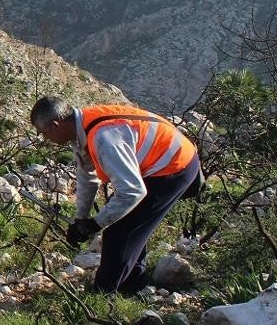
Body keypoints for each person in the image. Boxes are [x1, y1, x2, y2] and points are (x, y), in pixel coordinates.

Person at [29, 96, 202, 295]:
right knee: (127, 222)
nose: (44, 139)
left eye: (43, 133)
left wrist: (95, 224)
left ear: (55, 125)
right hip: (158, 164)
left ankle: (103, 295)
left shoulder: (104, 139)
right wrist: (81, 219)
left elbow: (132, 192)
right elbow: (87, 175)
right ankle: (133, 285)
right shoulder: (81, 127)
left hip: (174, 167)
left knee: (119, 231)